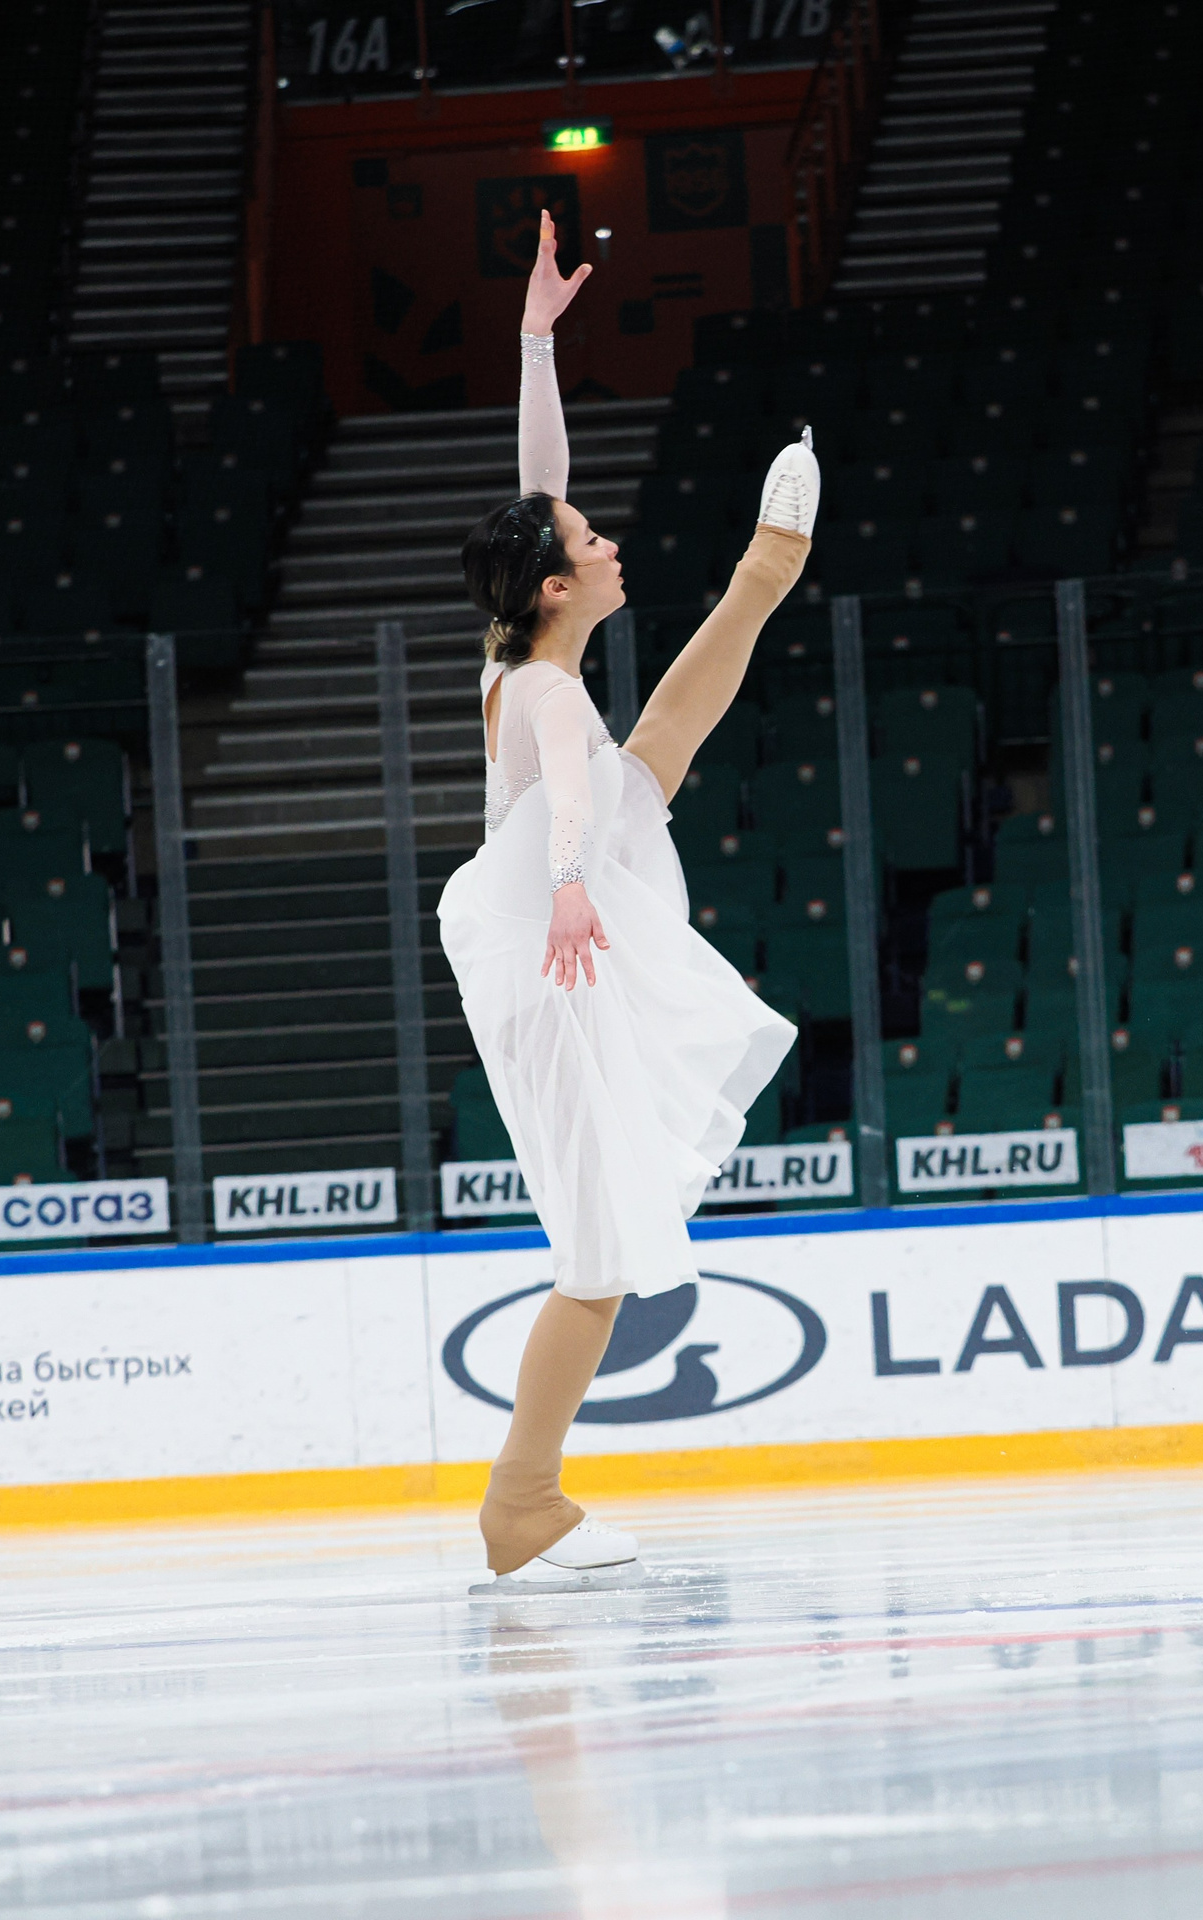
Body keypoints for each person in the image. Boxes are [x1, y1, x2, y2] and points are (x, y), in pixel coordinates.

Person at [439, 211, 819, 1591]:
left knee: (655, 751)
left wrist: (537, 343)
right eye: (589, 540)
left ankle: (760, 586)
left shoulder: (516, 644)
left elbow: (539, 484)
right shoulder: (535, 686)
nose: (605, 542)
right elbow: (570, 784)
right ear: (555, 587)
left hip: (576, 906)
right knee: (597, 1252)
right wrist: (563, 887)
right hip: (558, 942)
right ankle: (519, 1501)